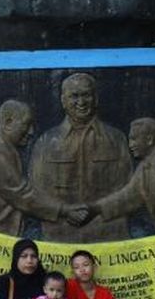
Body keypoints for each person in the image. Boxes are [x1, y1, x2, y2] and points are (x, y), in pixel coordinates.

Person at [0, 100, 86, 235]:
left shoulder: (1, 144)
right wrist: (64, 210)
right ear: (8, 123)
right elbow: (24, 196)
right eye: (26, 124)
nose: (31, 132)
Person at [30, 73, 131, 243]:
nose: (81, 102)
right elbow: (36, 192)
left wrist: (96, 209)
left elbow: (128, 188)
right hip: (59, 237)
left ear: (95, 98)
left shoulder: (116, 139)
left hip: (109, 236)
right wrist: (64, 211)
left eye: (86, 95)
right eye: (74, 96)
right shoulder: (46, 143)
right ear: (63, 101)